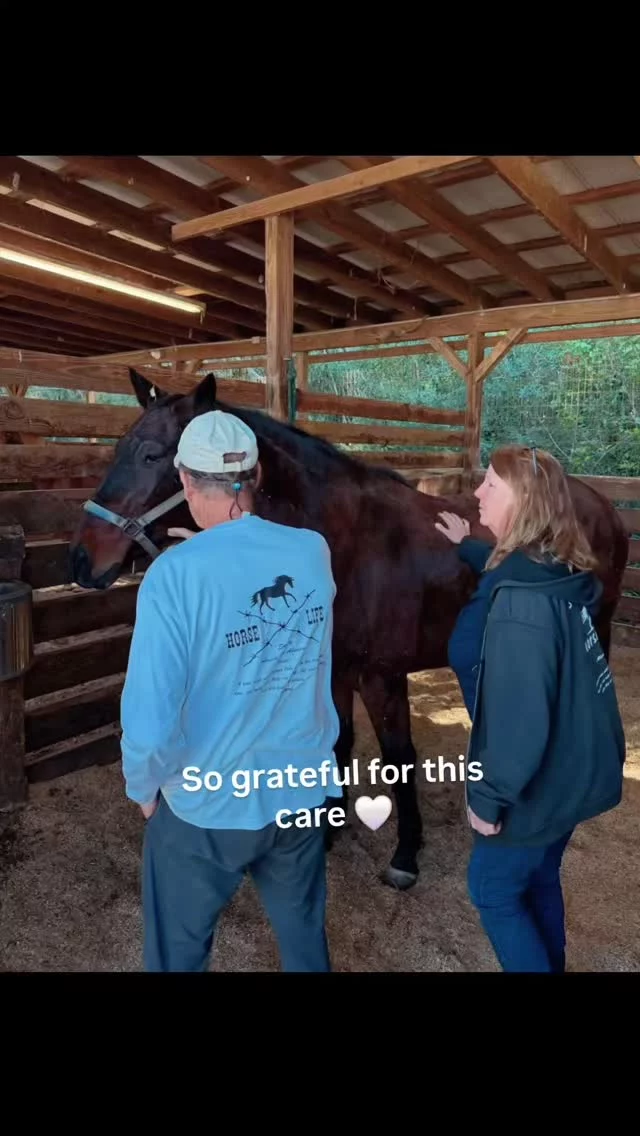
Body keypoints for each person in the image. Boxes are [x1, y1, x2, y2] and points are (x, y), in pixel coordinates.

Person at [119, 408, 342, 973]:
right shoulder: (312, 550)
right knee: (304, 942)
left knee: (178, 953)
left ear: (187, 482)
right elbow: (252, 569)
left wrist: (144, 785)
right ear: (257, 474)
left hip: (208, 801)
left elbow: (151, 707)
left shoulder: (173, 576)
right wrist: (217, 547)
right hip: (298, 790)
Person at [435, 444, 625, 973]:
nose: (477, 493)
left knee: (493, 891)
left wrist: (490, 799)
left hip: (532, 783)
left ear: (525, 502)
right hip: (573, 768)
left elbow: (520, 722)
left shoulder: (521, 607)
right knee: (538, 877)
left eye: (491, 485)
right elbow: (514, 573)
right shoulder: (555, 567)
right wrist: (468, 547)